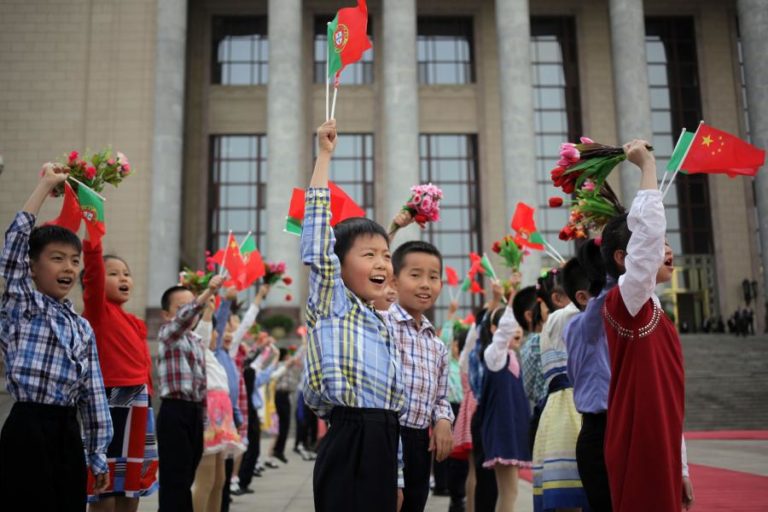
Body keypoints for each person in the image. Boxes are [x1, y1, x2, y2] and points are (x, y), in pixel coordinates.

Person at [302, 119, 405, 512]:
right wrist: (324, 156)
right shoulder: (333, 302)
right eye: (368, 255)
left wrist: (395, 476)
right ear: (338, 267)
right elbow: (316, 243)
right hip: (347, 435)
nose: (382, 262)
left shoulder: (381, 323)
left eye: (385, 255)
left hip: (383, 436)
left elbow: (394, 410)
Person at [0, 163, 113, 511]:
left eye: (74, 261)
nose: (68, 267)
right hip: (27, 426)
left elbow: (92, 394)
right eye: (57, 259)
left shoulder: (81, 327)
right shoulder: (23, 303)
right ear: (32, 267)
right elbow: (14, 248)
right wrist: (45, 186)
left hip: (67, 430)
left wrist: (97, 454)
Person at [599, 139, 694, 511]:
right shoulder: (625, 303)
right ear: (626, 258)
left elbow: (672, 401)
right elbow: (647, 243)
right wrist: (648, 168)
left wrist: (681, 465)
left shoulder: (655, 312)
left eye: (667, 243)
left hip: (662, 445)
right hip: (638, 443)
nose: (666, 250)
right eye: (659, 244)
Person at [82, 228, 158, 511]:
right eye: (113, 274)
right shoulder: (97, 311)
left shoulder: (134, 322)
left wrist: (148, 395)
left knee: (132, 483)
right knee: (105, 484)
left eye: (126, 273)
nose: (123, 277)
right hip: (111, 401)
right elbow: (92, 273)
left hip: (139, 403)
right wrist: (93, 234)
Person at [387, 239, 455, 512]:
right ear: (393, 280)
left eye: (433, 276)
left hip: (418, 441)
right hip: (388, 435)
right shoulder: (382, 324)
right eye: (415, 275)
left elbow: (441, 396)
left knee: (415, 504)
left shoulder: (436, 344)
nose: (425, 284)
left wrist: (442, 420)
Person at [156, 274, 225, 511]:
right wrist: (206, 294)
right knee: (175, 480)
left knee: (186, 478)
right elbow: (184, 319)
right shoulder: (168, 334)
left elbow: (201, 385)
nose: (189, 311)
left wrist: (203, 420)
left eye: (191, 304)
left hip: (194, 412)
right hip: (174, 410)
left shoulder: (195, 340)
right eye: (181, 307)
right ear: (166, 314)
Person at [532, 264, 590, 512]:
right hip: (566, 413)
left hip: (571, 408)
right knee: (568, 495)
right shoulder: (559, 319)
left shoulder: (572, 320)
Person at [562, 240, 613, 512]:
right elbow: (604, 296)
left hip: (616, 427)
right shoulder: (582, 326)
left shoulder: (605, 329)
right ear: (582, 298)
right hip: (598, 433)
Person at [191, 299, 246, 512]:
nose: (217, 334)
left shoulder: (214, 357)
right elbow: (203, 334)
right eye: (215, 330)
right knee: (205, 480)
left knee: (219, 480)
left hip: (222, 421)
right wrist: (208, 311)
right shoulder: (200, 350)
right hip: (209, 420)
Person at [481, 293, 532, 512]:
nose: (517, 329)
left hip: (514, 431)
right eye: (514, 324)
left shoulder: (514, 357)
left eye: (520, 324)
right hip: (502, 432)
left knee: (509, 493)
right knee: (509, 493)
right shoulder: (495, 355)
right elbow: (503, 334)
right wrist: (511, 301)